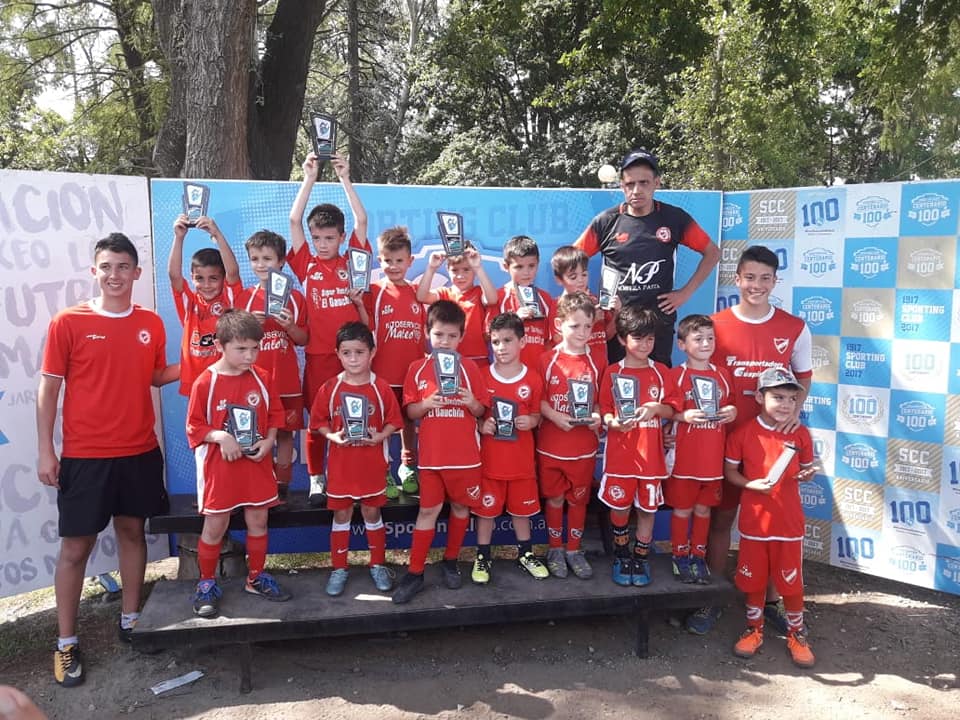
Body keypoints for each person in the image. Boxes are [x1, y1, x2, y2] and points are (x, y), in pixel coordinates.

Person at [37, 233, 178, 687]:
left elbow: (156, 375)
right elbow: (49, 388)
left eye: (122, 267)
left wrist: (201, 361)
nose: (114, 275)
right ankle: (66, 643)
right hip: (85, 457)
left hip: (139, 451)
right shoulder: (68, 322)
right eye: (106, 267)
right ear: (94, 271)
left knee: (132, 533)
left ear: (136, 272)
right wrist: (46, 449)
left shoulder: (151, 322)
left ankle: (132, 619)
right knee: (75, 549)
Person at [687, 245, 813, 635]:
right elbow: (698, 375)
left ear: (775, 281)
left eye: (765, 278)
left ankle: (771, 601)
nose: (756, 285)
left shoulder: (795, 327)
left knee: (773, 527)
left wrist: (793, 413)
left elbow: (804, 377)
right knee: (721, 519)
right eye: (750, 277)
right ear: (737, 279)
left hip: (773, 447)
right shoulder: (715, 325)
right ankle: (712, 596)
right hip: (722, 441)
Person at [185, 310, 292, 618]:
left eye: (255, 349)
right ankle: (206, 583)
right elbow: (194, 426)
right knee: (215, 526)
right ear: (220, 346)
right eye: (241, 349)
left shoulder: (263, 378)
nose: (249, 356)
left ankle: (255, 577)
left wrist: (269, 441)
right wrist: (220, 436)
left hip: (256, 466)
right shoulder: (206, 382)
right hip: (220, 469)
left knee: (258, 521)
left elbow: (275, 416)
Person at [573, 148, 720, 366]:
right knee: (615, 382)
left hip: (658, 324)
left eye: (644, 183)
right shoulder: (606, 221)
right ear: (622, 186)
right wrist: (591, 303)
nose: (637, 190)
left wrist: (684, 293)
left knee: (657, 381)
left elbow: (713, 252)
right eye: (630, 184)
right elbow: (571, 261)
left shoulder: (674, 218)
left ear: (656, 183)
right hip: (618, 325)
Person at [392, 300, 489, 604]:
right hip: (432, 459)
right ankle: (415, 572)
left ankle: (450, 561)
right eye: (438, 335)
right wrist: (426, 404)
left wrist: (471, 402)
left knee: (460, 508)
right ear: (427, 333)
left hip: (466, 459)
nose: (444, 341)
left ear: (461, 337)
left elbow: (481, 410)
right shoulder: (417, 368)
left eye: (451, 336)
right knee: (427, 511)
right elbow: (410, 412)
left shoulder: (470, 368)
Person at [288, 152, 370, 507]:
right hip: (319, 355)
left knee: (356, 416)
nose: (322, 244)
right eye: (317, 238)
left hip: (352, 356)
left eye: (329, 238)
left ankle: (353, 476)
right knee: (319, 420)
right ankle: (316, 479)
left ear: (341, 237)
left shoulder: (352, 261)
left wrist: (344, 178)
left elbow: (362, 219)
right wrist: (309, 177)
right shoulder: (306, 264)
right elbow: (294, 220)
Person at [725, 367, 817, 668]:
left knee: (791, 582)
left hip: (789, 523)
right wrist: (750, 485)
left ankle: (796, 634)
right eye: (778, 397)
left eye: (792, 398)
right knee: (754, 579)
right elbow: (730, 472)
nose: (786, 404)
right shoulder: (743, 433)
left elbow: (806, 470)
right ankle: (754, 629)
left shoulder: (800, 433)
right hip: (755, 522)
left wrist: (807, 474)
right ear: (759, 397)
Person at [310, 322, 403, 596]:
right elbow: (318, 422)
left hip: (372, 466)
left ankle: (378, 564)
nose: (353, 359)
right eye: (347, 353)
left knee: (372, 512)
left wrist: (380, 435)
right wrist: (332, 436)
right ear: (337, 354)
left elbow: (394, 421)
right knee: (342, 514)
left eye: (359, 352)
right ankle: (339, 568)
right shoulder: (330, 388)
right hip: (341, 467)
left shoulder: (381, 388)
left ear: (372, 353)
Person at [472, 312, 550, 584]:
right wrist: (482, 425)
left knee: (522, 512)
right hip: (490, 463)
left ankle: (526, 554)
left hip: (521, 464)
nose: (501, 347)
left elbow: (537, 415)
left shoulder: (533, 379)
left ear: (522, 342)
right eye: (495, 342)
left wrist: (532, 421)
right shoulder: (482, 376)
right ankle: (482, 556)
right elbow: (475, 414)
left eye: (507, 340)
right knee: (486, 513)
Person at [598, 305, 673, 586]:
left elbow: (673, 409)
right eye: (638, 338)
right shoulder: (612, 372)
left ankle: (641, 558)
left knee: (647, 510)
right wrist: (613, 423)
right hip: (620, 457)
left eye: (649, 339)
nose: (644, 345)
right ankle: (621, 555)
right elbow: (605, 410)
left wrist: (656, 408)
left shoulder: (661, 371)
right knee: (619, 507)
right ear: (622, 339)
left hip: (651, 459)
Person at [664, 314, 736, 583]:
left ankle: (698, 556)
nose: (706, 343)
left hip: (712, 461)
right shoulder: (676, 375)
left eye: (710, 338)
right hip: (684, 460)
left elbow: (729, 404)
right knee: (682, 510)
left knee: (704, 510)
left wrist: (731, 410)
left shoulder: (722, 375)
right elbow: (667, 412)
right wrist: (682, 416)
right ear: (682, 344)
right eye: (698, 339)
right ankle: (679, 556)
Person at [537, 292, 603, 580]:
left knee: (578, 501)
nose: (582, 332)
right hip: (551, 446)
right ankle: (555, 549)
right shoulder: (547, 359)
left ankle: (574, 550)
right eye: (575, 326)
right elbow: (538, 400)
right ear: (559, 325)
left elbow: (602, 401)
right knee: (554, 500)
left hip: (583, 448)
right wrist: (555, 416)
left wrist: (597, 415)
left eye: (588, 326)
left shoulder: (598, 359)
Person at [238, 230, 308, 499]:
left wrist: (289, 326)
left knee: (285, 435)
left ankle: (282, 486)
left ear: (281, 262)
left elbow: (303, 339)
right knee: (256, 434)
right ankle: (262, 484)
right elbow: (234, 340)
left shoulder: (296, 298)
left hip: (286, 382)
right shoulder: (244, 297)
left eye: (267, 259)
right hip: (253, 382)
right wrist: (249, 325)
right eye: (255, 259)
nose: (260, 265)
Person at [364, 227, 427, 499]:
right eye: (388, 260)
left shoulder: (418, 293)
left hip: (411, 375)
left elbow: (426, 333)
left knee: (409, 423)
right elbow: (366, 326)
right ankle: (382, 470)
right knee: (382, 425)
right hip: (383, 374)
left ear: (410, 261)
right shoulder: (375, 291)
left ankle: (408, 466)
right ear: (379, 260)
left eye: (399, 260)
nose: (393, 266)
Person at [167, 214, 242, 396]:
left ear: (223, 279)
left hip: (226, 380)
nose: (206, 285)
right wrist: (179, 237)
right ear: (192, 278)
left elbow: (233, 272)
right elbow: (174, 276)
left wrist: (217, 234)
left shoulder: (229, 300)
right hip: (195, 383)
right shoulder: (189, 303)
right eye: (200, 278)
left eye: (213, 278)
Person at [416, 243, 497, 367]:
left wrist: (478, 267)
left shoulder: (479, 292)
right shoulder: (444, 293)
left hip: (477, 360)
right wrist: (431, 268)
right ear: (447, 269)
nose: (460, 276)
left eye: (466, 269)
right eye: (455, 270)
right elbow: (421, 296)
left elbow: (492, 299)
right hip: (446, 361)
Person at [550, 244, 617, 375]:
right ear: (559, 279)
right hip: (570, 369)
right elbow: (557, 340)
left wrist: (616, 314)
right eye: (573, 277)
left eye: (584, 274)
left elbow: (608, 335)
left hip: (600, 367)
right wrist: (590, 321)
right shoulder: (557, 305)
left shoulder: (597, 301)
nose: (580, 280)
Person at [494, 235, 556, 370]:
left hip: (538, 372)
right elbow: (490, 336)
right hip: (509, 372)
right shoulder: (499, 297)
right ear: (506, 266)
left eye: (531, 266)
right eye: (519, 267)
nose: (526, 272)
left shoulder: (545, 298)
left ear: (538, 264)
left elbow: (550, 341)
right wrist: (514, 319)